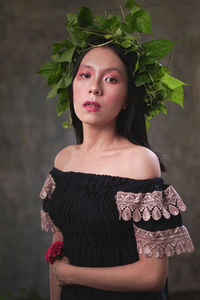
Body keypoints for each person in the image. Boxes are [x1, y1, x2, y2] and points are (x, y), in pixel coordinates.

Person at [39, 3, 194, 300]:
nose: (94, 88)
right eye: (85, 75)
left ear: (126, 100)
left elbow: (151, 277)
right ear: (72, 86)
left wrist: (71, 275)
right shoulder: (64, 159)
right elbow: (58, 252)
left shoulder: (139, 162)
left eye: (111, 79)